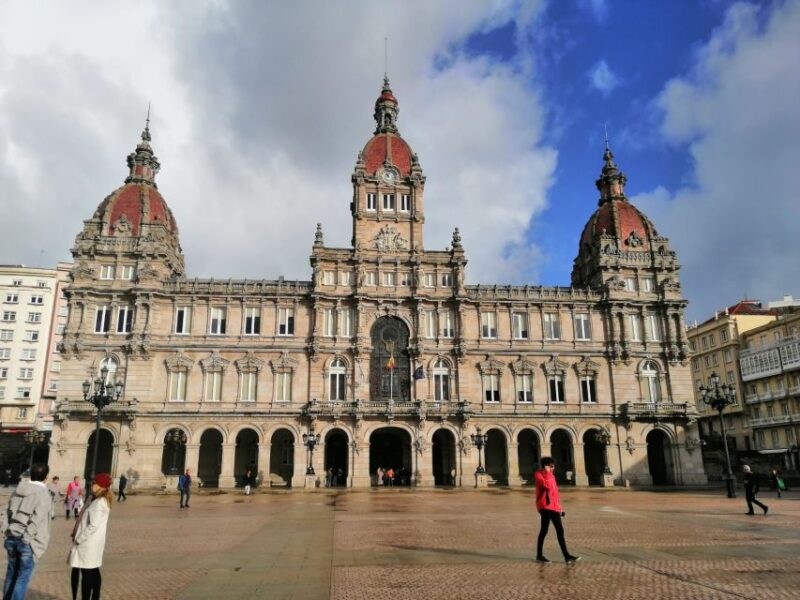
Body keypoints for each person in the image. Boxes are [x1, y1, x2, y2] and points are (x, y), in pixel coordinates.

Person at [1, 463, 53, 600]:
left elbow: (4, 512)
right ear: (46, 477)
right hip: (27, 542)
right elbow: (36, 519)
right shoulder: (44, 494)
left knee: (11, 574)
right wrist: (26, 539)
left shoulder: (17, 490)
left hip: (12, 537)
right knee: (22, 578)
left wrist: (6, 530)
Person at [68, 473, 113, 600]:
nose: (91, 485)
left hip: (88, 543)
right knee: (93, 571)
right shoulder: (97, 500)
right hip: (93, 543)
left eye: (94, 483)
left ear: (100, 486)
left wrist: (79, 539)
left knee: (87, 574)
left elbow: (92, 526)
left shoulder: (99, 503)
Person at [534, 457, 580, 564]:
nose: (553, 468)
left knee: (560, 530)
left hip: (554, 507)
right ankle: (539, 555)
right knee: (544, 531)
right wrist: (547, 473)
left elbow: (555, 494)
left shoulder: (552, 476)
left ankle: (567, 556)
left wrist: (560, 508)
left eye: (553, 466)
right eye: (551, 466)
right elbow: (547, 486)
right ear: (546, 466)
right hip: (545, 506)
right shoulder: (539, 475)